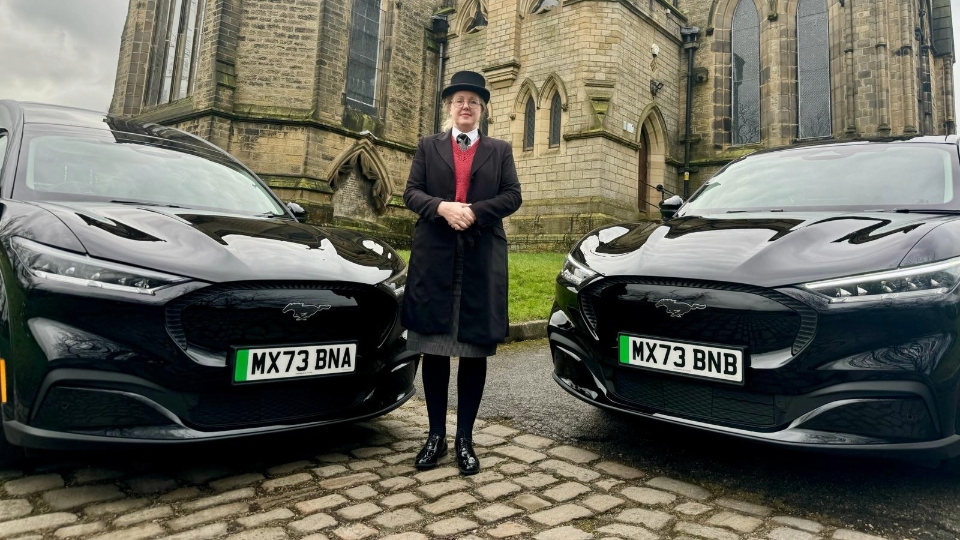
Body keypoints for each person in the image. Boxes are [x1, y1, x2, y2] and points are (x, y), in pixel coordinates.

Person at [401, 71, 522, 475]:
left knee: (472, 352)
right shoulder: (427, 146)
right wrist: (441, 207)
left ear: (482, 109)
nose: (465, 107)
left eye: (473, 101)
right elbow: (411, 192)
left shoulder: (500, 149)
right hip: (435, 259)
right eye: (458, 101)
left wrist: (472, 212)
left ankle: (465, 439)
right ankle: (435, 436)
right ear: (449, 108)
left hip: (480, 258)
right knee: (434, 349)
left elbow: (512, 196)